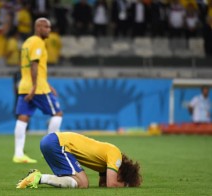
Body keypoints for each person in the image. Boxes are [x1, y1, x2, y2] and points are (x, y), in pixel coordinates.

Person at [13, 18, 63, 164]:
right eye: (47, 27)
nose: (49, 30)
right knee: (57, 113)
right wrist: (35, 86)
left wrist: (46, 84)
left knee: (23, 118)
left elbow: (26, 65)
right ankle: (51, 150)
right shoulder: (38, 42)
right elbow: (34, 65)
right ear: (39, 27)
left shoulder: (27, 42)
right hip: (37, 88)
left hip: (24, 85)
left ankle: (18, 154)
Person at [16, 132, 142, 188]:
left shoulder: (105, 164)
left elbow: (103, 184)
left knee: (75, 181)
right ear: (123, 173)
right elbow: (111, 184)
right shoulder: (116, 155)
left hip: (52, 141)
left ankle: (37, 178)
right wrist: (127, 185)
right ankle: (38, 178)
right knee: (83, 183)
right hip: (58, 143)